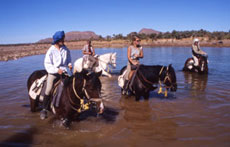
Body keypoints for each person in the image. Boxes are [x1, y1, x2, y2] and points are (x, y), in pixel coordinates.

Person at [40, 31, 72, 120]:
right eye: (62, 39)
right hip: (53, 72)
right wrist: (57, 70)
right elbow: (47, 64)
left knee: (72, 84)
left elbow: (69, 59)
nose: (63, 41)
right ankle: (44, 109)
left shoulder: (65, 49)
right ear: (57, 40)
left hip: (65, 71)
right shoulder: (51, 51)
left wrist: (69, 64)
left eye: (63, 39)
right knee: (49, 88)